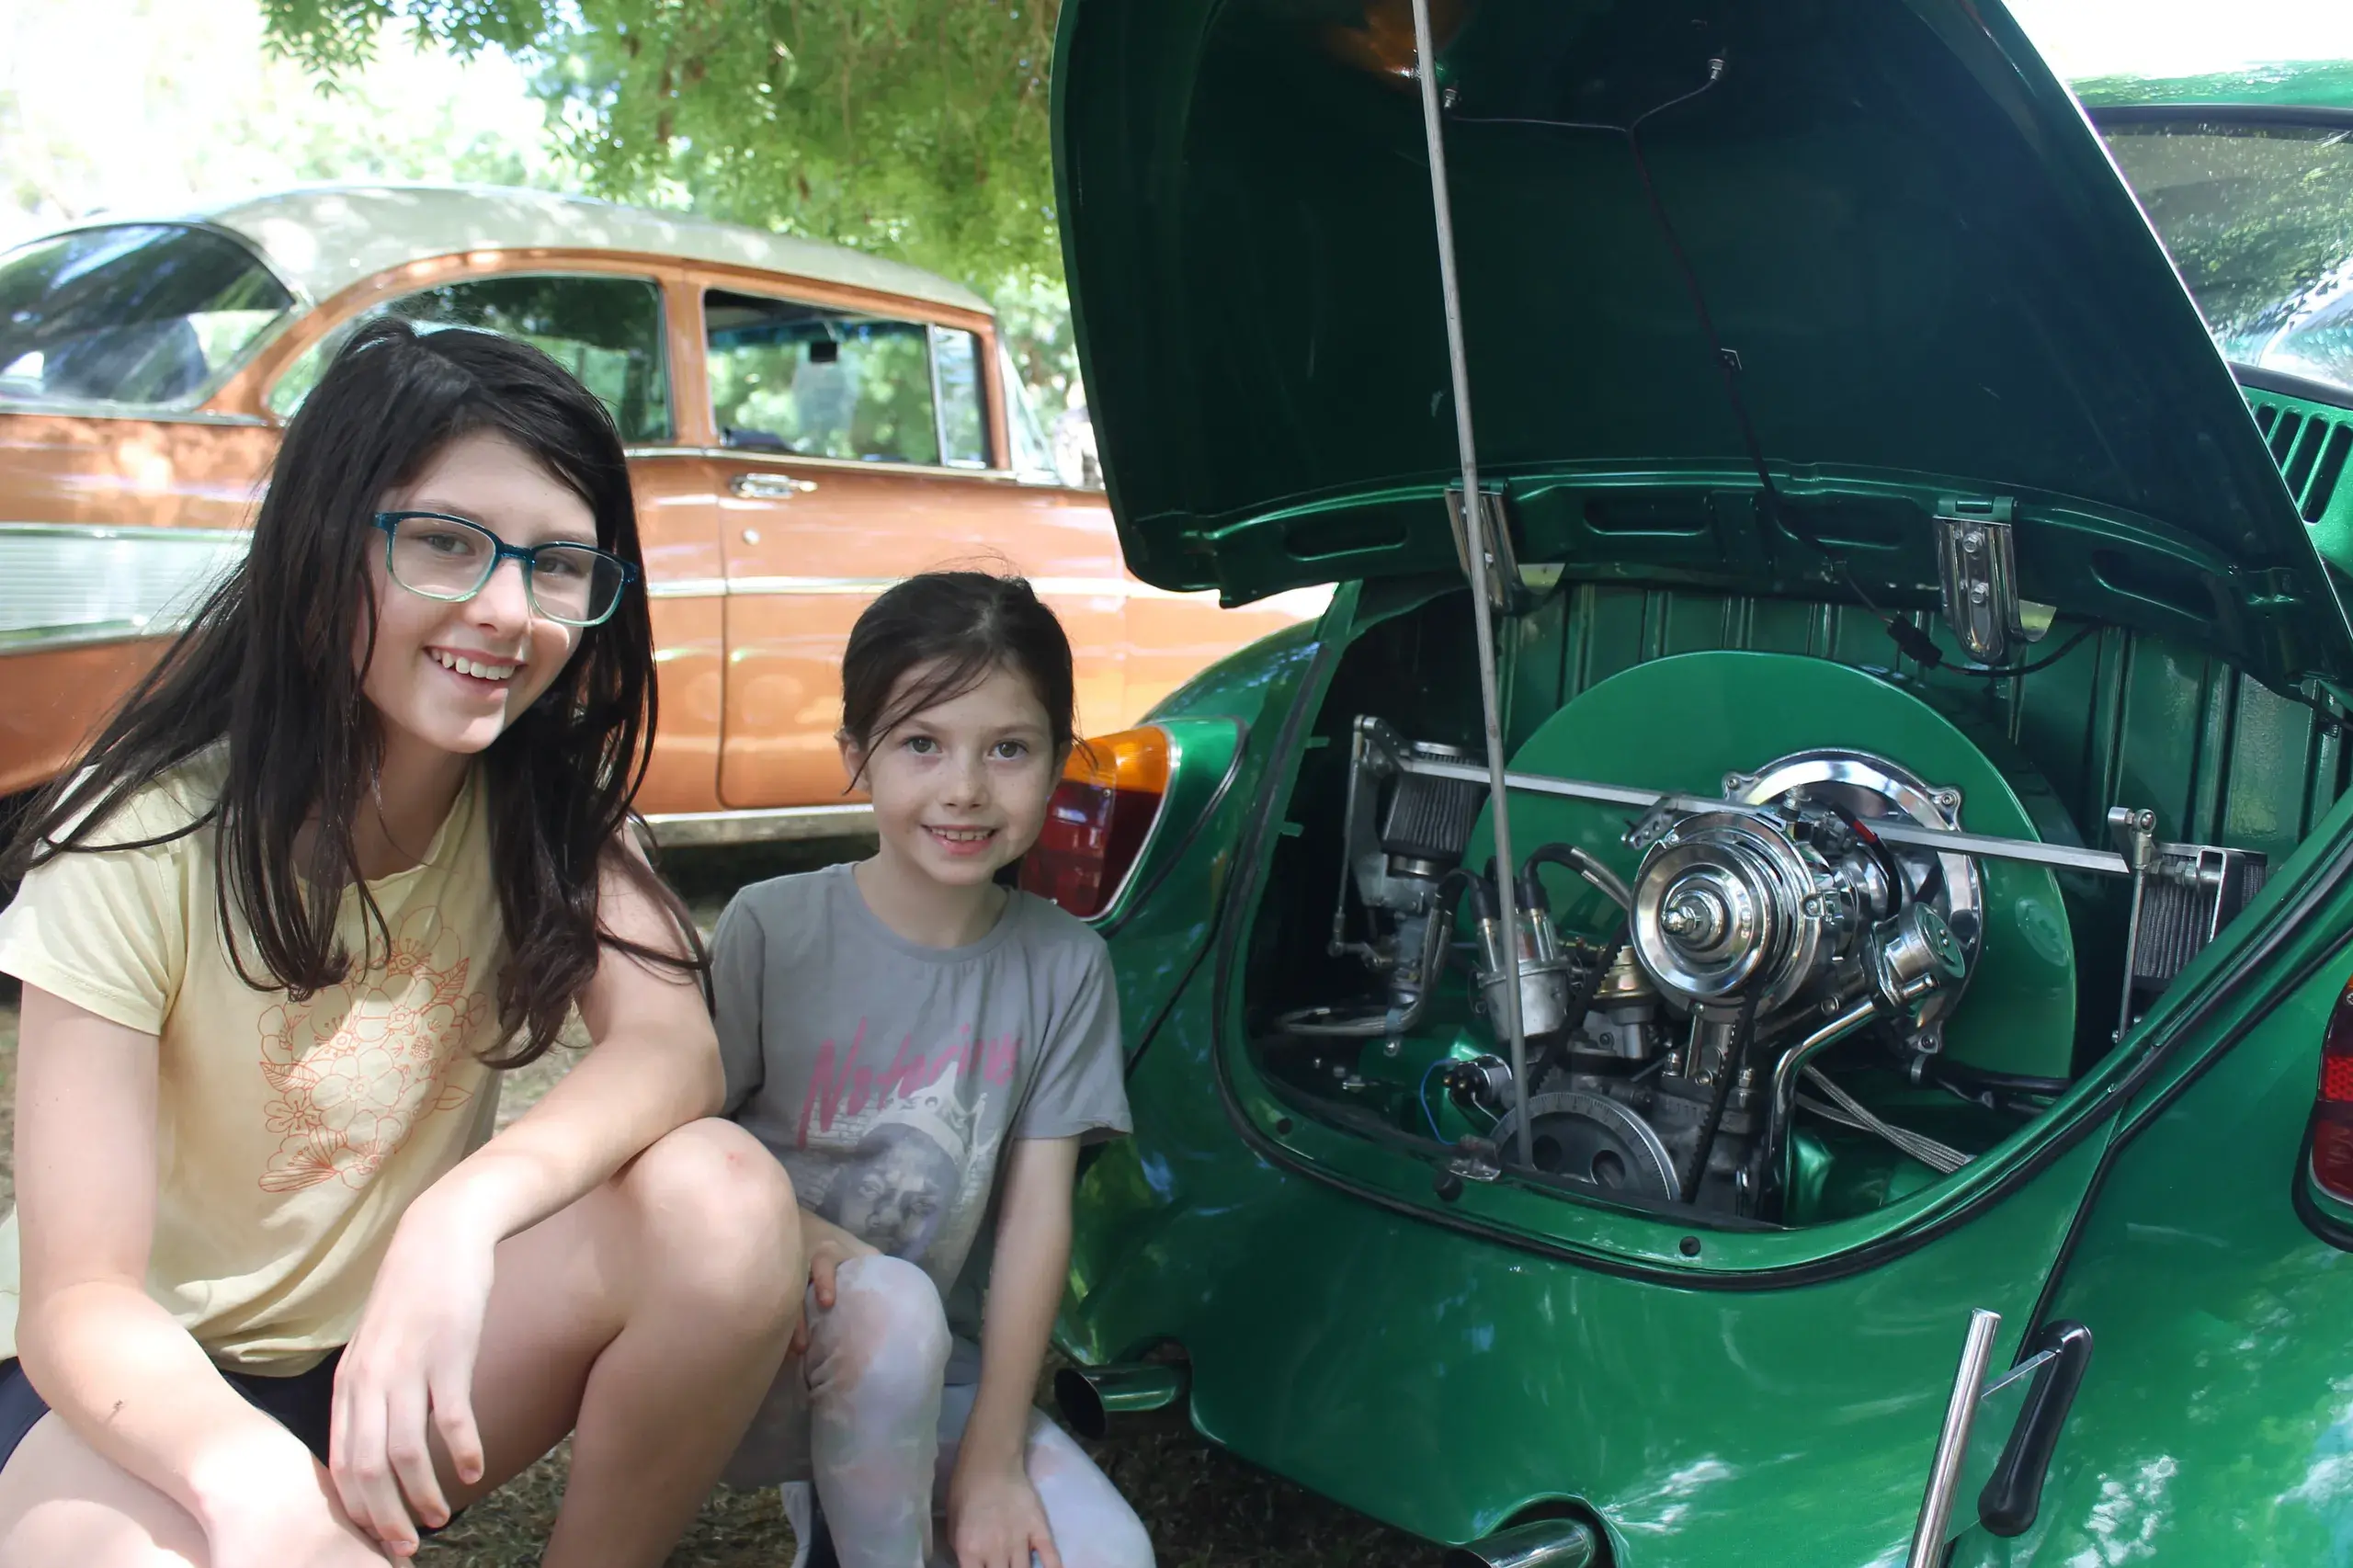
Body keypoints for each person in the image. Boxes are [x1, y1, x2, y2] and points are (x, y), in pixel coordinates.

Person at [0, 319, 802, 1568]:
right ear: (325, 541)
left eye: (556, 566)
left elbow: (671, 1049)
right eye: (443, 542)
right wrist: (251, 1481)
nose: (504, 610)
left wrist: (459, 1216)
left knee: (727, 1202)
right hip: (123, 1393)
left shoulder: (548, 802)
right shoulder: (133, 833)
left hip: (393, 1356)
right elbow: (77, 1300)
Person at [711, 573, 1155, 1568]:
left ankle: (875, 1507)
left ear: (1056, 766)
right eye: (922, 742)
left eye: (1008, 747)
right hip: (757, 1362)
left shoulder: (1065, 963)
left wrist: (993, 1458)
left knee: (1110, 1556)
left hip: (941, 1376)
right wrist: (800, 1229)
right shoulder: (769, 927)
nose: (964, 787)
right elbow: (681, 1140)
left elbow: (1040, 1216)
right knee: (891, 1309)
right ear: (853, 758)